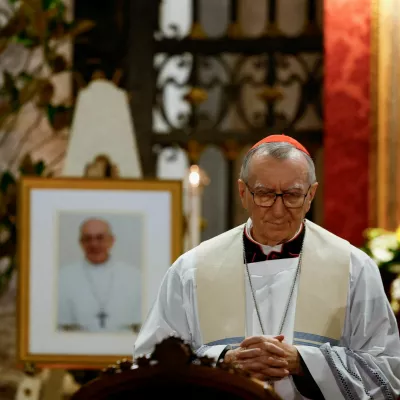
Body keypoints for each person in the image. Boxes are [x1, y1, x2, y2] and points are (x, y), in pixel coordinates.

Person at [134, 134, 400, 399]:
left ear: (311, 195)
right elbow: (150, 365)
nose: (278, 210)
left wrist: (304, 363)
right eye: (264, 194)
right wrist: (225, 361)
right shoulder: (191, 269)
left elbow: (387, 373)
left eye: (293, 195)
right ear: (243, 193)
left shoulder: (353, 268)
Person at [58, 217, 141, 333]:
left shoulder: (134, 277)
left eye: (100, 238)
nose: (94, 244)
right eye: (88, 239)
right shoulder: (63, 277)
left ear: (112, 240)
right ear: (80, 242)